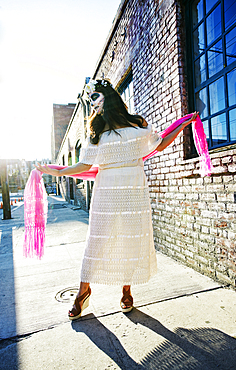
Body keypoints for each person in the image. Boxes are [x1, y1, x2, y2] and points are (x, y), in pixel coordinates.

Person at [36, 79, 198, 320]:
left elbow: (160, 144)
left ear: (107, 98)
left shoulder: (137, 123)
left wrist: (184, 124)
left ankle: (126, 291)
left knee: (130, 238)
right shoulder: (95, 130)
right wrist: (58, 171)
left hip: (134, 188)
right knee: (96, 240)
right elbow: (85, 164)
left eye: (95, 100)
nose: (93, 107)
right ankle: (83, 291)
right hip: (106, 190)